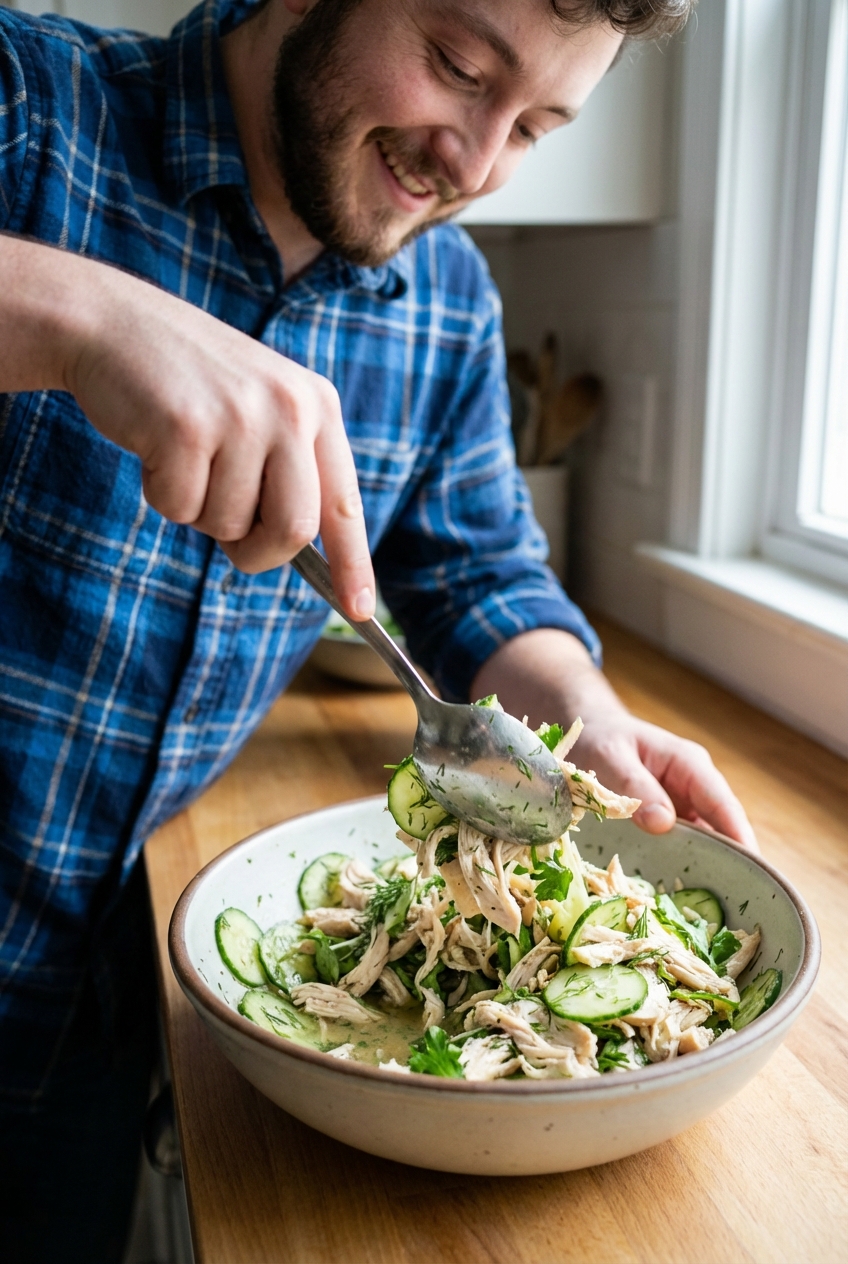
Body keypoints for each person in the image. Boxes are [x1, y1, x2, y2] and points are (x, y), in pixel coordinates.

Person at [0, 0, 753, 1257]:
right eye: (460, 68)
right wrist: (79, 315)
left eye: (536, 126)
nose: (472, 162)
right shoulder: (32, 104)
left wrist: (587, 724)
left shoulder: (447, 300)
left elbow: (476, 576)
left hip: (98, 1009)